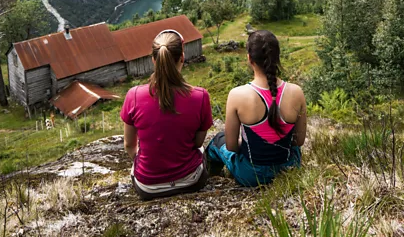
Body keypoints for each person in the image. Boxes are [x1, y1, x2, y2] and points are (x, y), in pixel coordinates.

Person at [120, 29, 213, 200]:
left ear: (153, 60)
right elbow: (198, 143)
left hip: (147, 187)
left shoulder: (133, 95)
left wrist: (146, 163)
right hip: (191, 181)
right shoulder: (201, 96)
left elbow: (128, 145)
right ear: (182, 58)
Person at [207, 29, 306, 186]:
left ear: (249, 58)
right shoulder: (296, 92)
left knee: (217, 141)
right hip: (289, 169)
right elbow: (298, 141)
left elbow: (232, 146)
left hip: (252, 176)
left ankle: (212, 176)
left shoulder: (237, 95)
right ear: (277, 57)